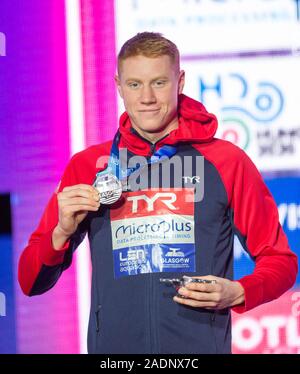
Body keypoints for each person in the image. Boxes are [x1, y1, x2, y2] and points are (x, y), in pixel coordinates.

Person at [18, 32, 298, 354]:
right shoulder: (87, 166)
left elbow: (280, 261)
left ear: (180, 82)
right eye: (135, 84)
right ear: (118, 86)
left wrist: (238, 292)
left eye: (159, 83)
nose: (147, 97)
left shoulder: (226, 162)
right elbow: (29, 281)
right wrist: (61, 233)